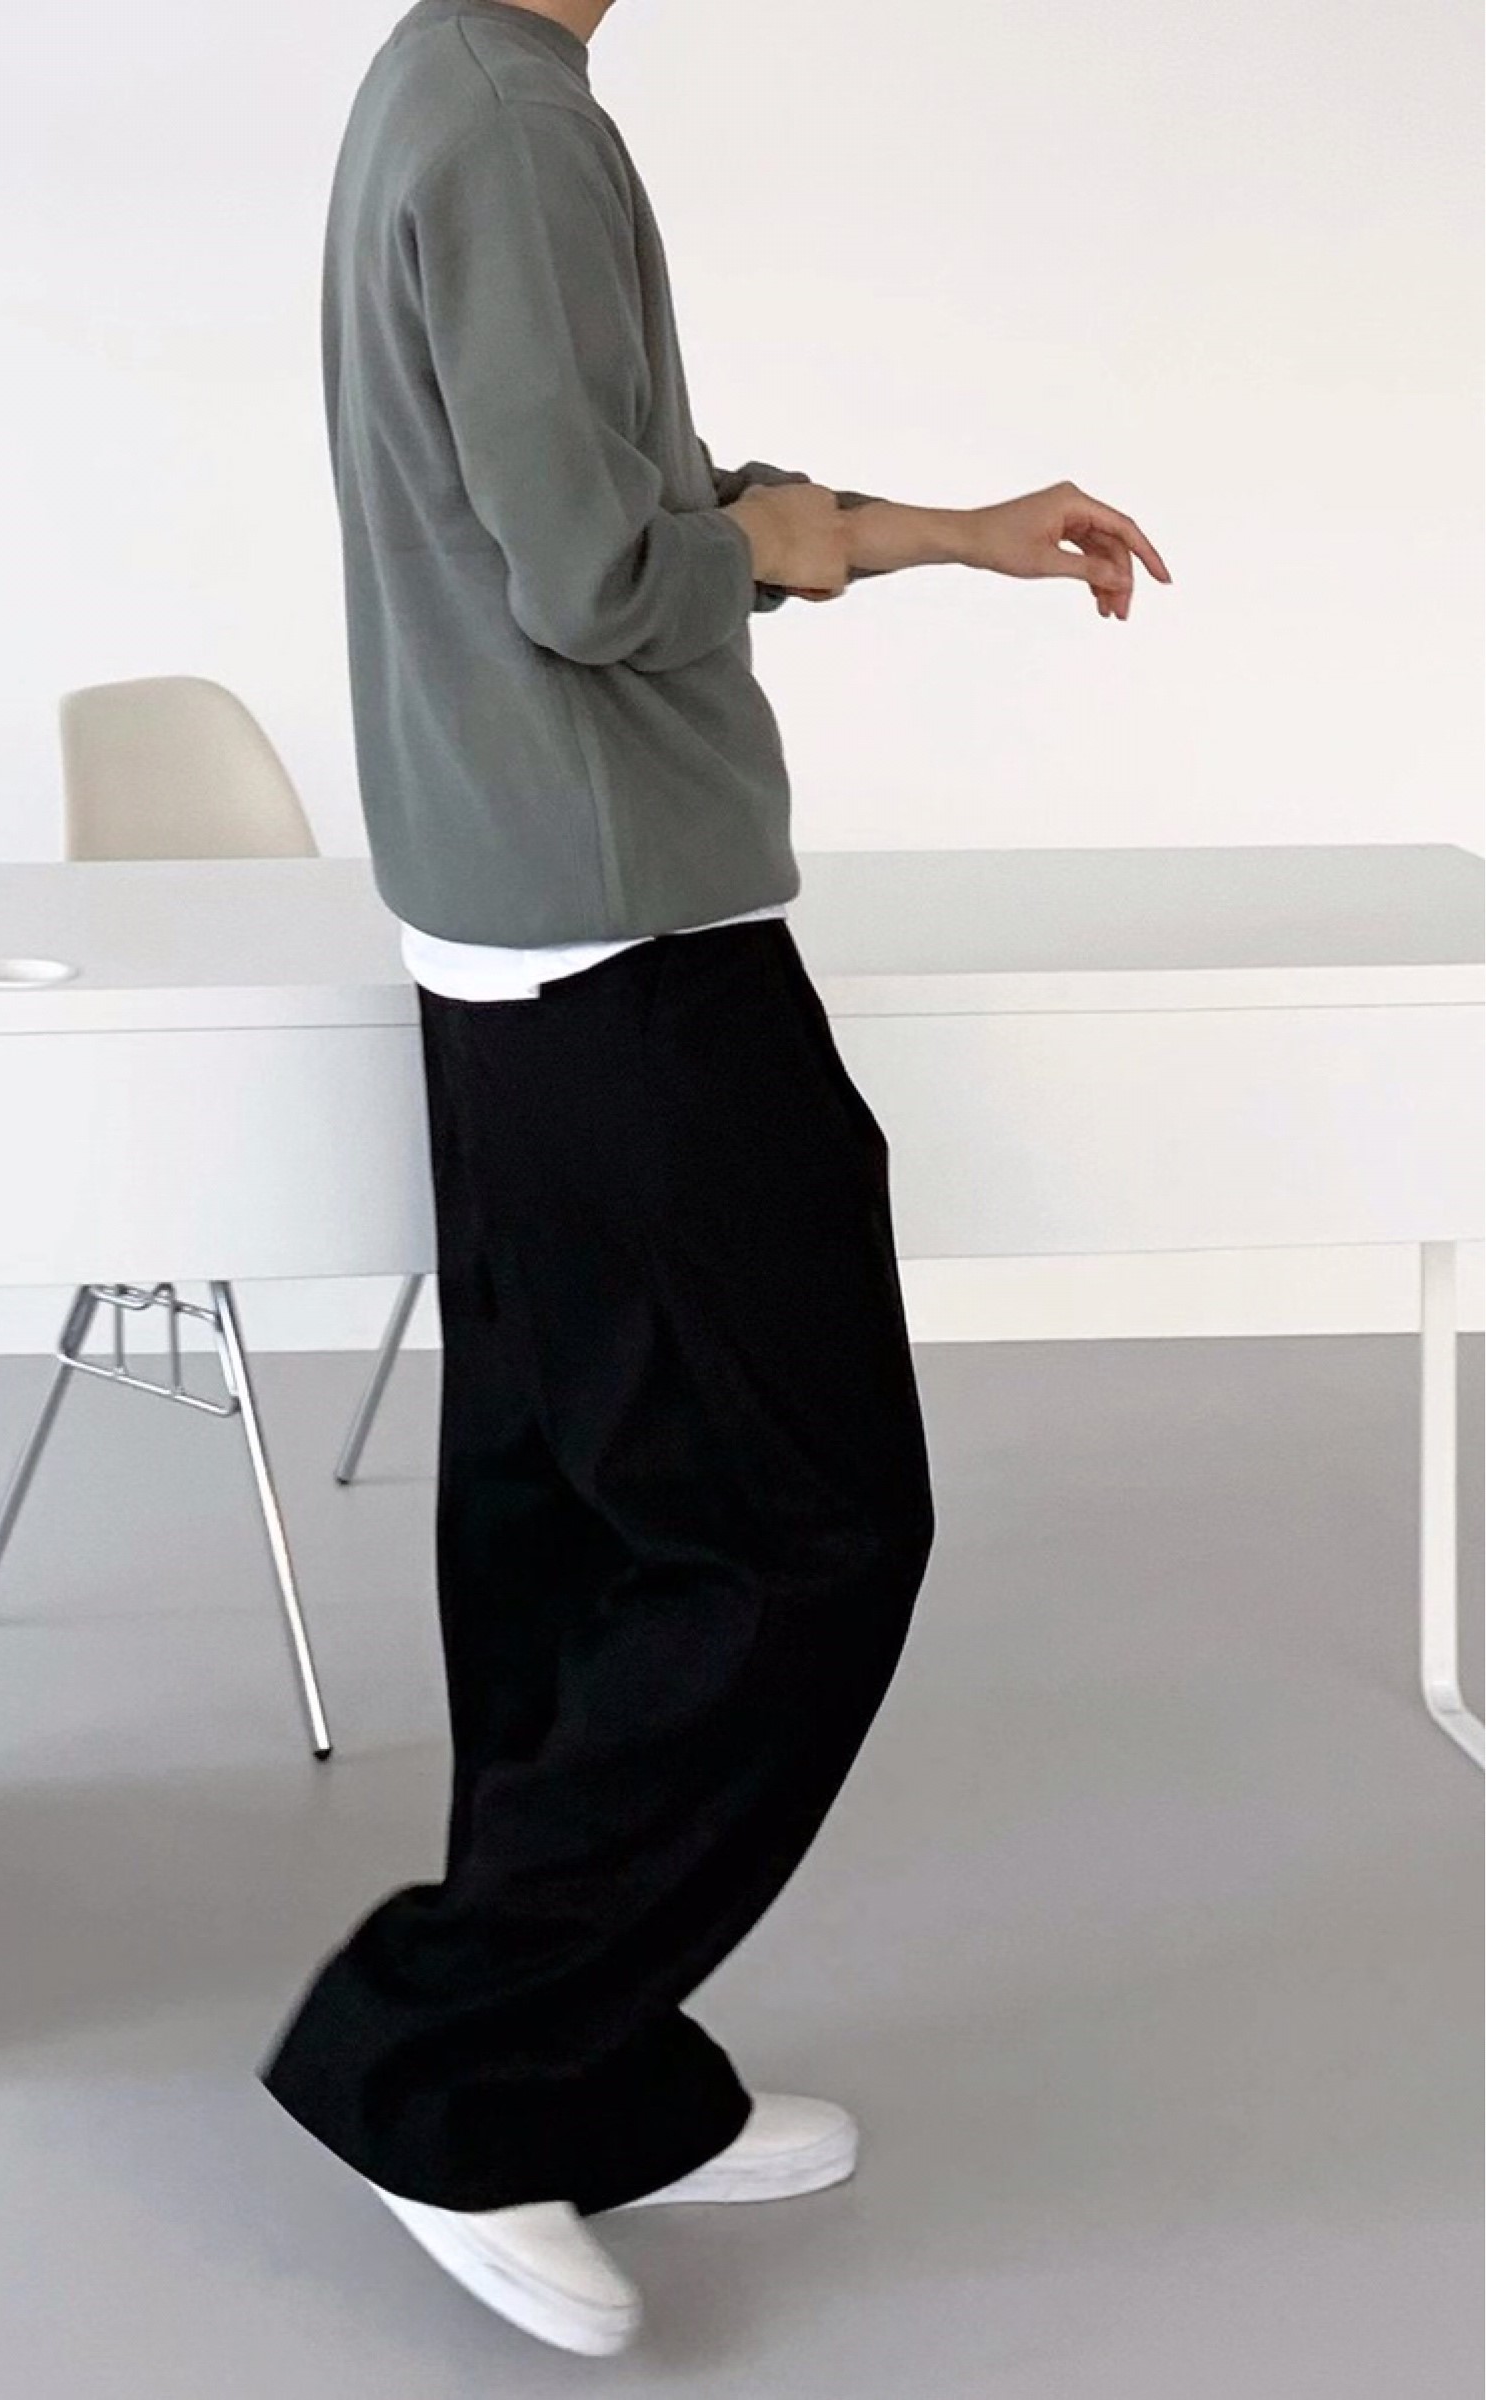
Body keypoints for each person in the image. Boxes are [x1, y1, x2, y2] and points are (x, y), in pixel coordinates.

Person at [258, 0, 1170, 2358]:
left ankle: (564, 2072)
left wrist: (919, 534)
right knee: (804, 1526)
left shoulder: (453, 84)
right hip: (622, 928)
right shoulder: (509, 123)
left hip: (514, 921)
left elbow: (613, 497)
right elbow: (593, 575)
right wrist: (764, 544)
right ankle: (438, 2070)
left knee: (572, 1523)